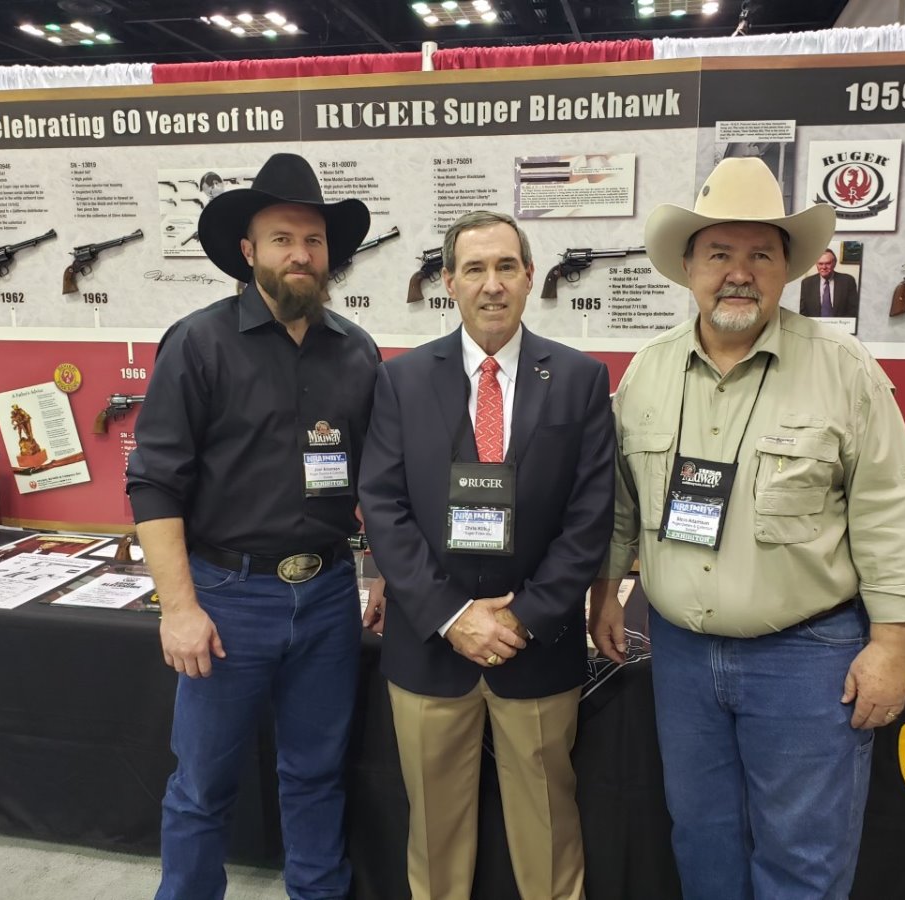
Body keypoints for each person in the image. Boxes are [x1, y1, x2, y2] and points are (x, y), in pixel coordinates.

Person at [589, 158, 905, 900]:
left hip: (807, 659)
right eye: (719, 253)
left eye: (761, 255)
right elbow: (620, 501)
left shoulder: (843, 369)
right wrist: (606, 592)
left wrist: (892, 646)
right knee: (701, 837)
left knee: (803, 857)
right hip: (681, 654)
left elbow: (891, 508)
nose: (739, 273)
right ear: (689, 268)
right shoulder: (647, 372)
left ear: (788, 270)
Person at [126, 152, 379, 900]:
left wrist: (383, 573)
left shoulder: (357, 352)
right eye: (282, 239)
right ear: (248, 250)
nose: (300, 254)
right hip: (227, 599)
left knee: (317, 773)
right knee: (202, 787)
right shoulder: (197, 344)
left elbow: (379, 479)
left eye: (313, 240)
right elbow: (153, 481)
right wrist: (178, 608)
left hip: (328, 597)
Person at [358, 210, 615, 900]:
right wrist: (451, 616)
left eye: (506, 267)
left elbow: (590, 516)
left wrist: (522, 618)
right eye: (474, 269)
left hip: (537, 647)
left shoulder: (581, 379)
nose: (492, 284)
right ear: (449, 282)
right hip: (429, 648)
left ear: (530, 276)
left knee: (549, 834)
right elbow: (383, 506)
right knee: (435, 839)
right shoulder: (401, 380)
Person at [799, 248, 860, 318]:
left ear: (834, 263)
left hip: (840, 324)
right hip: (813, 324)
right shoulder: (807, 283)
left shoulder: (848, 281)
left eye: (828, 263)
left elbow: (853, 311)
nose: (824, 267)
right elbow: (803, 313)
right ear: (816, 264)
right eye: (820, 264)